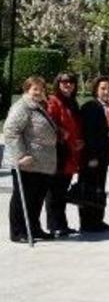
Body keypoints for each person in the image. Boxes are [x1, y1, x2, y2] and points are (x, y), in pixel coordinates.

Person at [4, 77, 58, 243]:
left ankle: (34, 228)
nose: (39, 92)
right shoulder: (22, 107)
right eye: (35, 89)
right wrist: (21, 155)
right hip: (27, 162)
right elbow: (11, 131)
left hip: (41, 163)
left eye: (41, 89)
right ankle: (18, 231)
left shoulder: (38, 107)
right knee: (23, 198)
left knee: (36, 199)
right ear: (26, 90)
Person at [45, 72, 83, 237]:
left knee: (62, 191)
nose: (68, 84)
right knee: (54, 192)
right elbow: (49, 122)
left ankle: (62, 224)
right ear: (58, 83)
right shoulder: (54, 101)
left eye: (71, 82)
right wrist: (62, 133)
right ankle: (54, 225)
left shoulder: (72, 102)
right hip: (59, 152)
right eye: (64, 82)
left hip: (71, 152)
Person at [78, 76, 109, 233]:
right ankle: (87, 222)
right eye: (103, 88)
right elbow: (88, 134)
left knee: (100, 188)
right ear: (96, 90)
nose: (106, 91)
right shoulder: (90, 106)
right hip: (92, 156)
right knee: (89, 188)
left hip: (104, 156)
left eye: (108, 88)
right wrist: (92, 156)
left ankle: (98, 219)